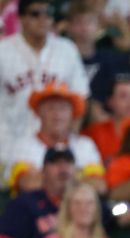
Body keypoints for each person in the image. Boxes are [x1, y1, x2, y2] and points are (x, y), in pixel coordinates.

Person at [0, 0, 89, 143]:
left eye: (48, 14)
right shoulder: (3, 50)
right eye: (35, 14)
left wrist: (69, 137)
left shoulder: (66, 49)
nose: (43, 19)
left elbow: (81, 95)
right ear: (21, 18)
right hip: (9, 141)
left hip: (55, 144)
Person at [0, 146, 77, 238]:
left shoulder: (88, 204)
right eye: (56, 163)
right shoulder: (24, 203)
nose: (63, 168)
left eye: (68, 162)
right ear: (43, 170)